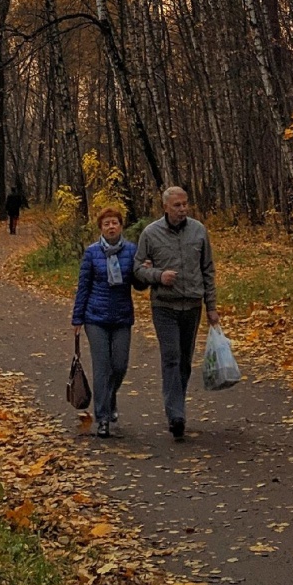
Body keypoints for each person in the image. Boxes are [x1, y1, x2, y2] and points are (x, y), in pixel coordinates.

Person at [132, 185, 217, 440]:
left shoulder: (198, 231)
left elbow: (208, 269)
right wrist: (158, 275)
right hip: (164, 306)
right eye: (177, 205)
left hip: (192, 304)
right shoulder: (151, 233)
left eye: (185, 204)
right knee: (171, 356)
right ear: (165, 207)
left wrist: (211, 306)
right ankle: (175, 415)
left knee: (184, 360)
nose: (183, 209)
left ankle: (177, 404)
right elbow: (137, 269)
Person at [71, 206, 137, 437]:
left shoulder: (131, 251)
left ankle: (110, 398)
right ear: (100, 228)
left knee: (119, 365)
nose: (111, 227)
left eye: (115, 223)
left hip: (121, 317)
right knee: (102, 367)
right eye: (106, 223)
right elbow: (84, 286)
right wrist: (77, 318)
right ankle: (103, 418)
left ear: (121, 226)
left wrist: (148, 271)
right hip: (95, 318)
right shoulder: (91, 253)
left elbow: (138, 282)